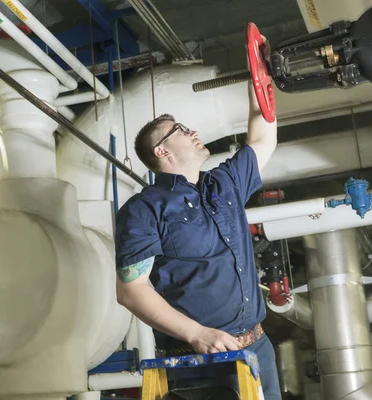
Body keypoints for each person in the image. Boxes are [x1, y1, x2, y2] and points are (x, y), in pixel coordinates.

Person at [114, 77, 280, 399]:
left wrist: (260, 79)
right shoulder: (144, 209)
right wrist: (197, 333)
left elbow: (263, 139)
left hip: (258, 348)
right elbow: (131, 290)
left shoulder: (224, 184)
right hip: (200, 358)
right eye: (180, 130)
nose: (192, 132)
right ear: (161, 151)